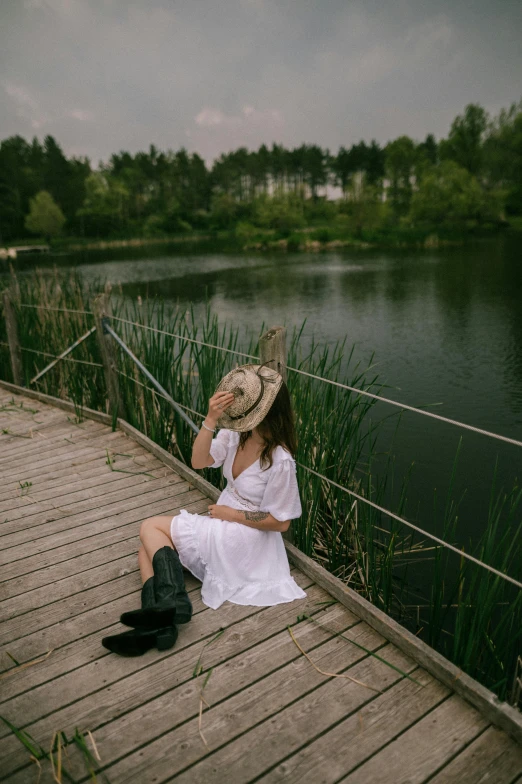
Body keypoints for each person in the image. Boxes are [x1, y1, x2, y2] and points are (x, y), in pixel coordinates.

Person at [102, 362, 306, 657]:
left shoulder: (279, 459)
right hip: (224, 522)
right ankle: (159, 625)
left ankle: (173, 603)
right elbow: (198, 461)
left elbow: (281, 522)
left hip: (248, 538)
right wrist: (211, 419)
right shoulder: (238, 435)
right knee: (146, 549)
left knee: (150, 527)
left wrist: (231, 515)